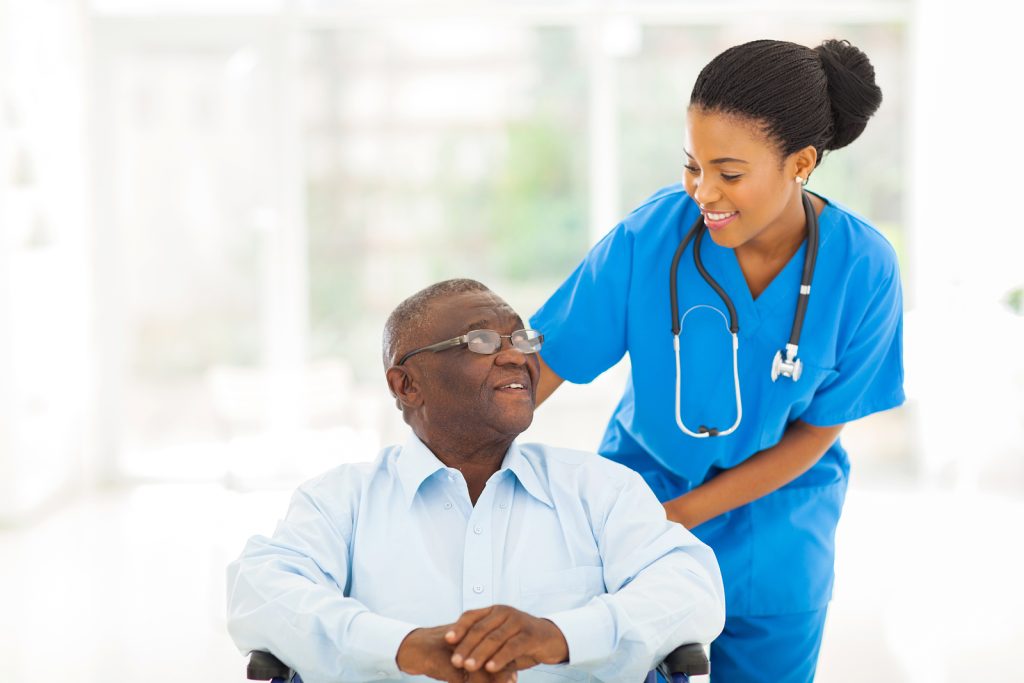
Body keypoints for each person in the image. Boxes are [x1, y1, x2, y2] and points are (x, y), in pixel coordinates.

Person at [530, 39, 904, 682]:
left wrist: (683, 516)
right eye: (692, 166)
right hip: (641, 509)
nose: (704, 192)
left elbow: (818, 431)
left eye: (729, 173)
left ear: (802, 163)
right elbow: (542, 368)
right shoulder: (649, 239)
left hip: (778, 528)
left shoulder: (862, 268)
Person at [226, 279, 725, 683]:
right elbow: (261, 592)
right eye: (482, 341)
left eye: (522, 338)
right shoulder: (339, 500)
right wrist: (404, 649)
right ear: (407, 384)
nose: (517, 357)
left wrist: (557, 636)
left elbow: (690, 588)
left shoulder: (600, 489)